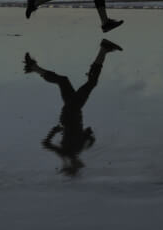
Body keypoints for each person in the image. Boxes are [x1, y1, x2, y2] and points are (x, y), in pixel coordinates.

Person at [23, 39, 121, 176]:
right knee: (64, 81)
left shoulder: (66, 153)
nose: (81, 165)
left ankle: (104, 49)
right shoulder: (75, 151)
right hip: (70, 113)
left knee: (91, 83)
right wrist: (88, 137)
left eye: (77, 167)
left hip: (72, 112)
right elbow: (84, 134)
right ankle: (33, 68)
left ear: (72, 165)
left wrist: (55, 130)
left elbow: (46, 143)